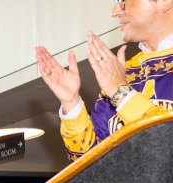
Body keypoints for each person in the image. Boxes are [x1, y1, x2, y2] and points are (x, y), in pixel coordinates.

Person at [35, 0, 173, 161]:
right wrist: (71, 104)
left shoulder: (118, 83)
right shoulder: (122, 73)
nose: (114, 12)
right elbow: (91, 166)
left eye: (123, 2)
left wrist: (122, 93)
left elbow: (166, 144)